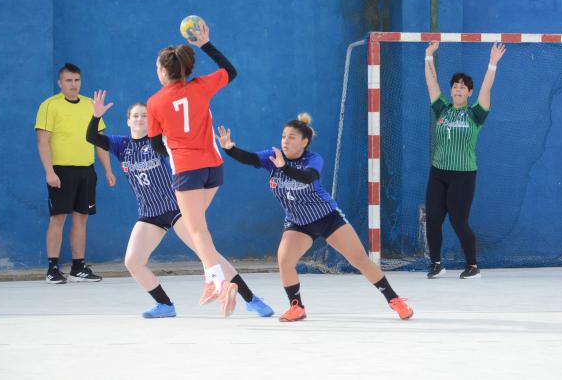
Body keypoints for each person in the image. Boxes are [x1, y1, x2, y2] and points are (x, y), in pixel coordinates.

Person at [87, 93, 273, 318]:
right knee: (133, 262)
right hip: (149, 214)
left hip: (177, 208)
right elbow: (92, 137)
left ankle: (251, 299)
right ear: (128, 121)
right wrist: (96, 117)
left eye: (144, 116)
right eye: (135, 116)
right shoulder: (121, 145)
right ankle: (165, 305)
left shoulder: (159, 141)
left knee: (209, 255)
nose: (139, 119)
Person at [216, 114, 414, 322]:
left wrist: (284, 167)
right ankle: (297, 307)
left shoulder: (313, 159)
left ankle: (395, 300)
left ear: (304, 142)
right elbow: (250, 158)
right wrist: (229, 148)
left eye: (291, 137)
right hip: (298, 222)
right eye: (283, 136)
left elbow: (309, 178)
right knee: (284, 260)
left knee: (360, 260)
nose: (285, 140)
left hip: (327, 218)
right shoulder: (272, 157)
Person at [146, 19, 242, 314]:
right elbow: (231, 71)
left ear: (164, 71)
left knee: (196, 229)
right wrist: (205, 45)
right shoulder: (201, 86)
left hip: (187, 171)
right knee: (199, 228)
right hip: (214, 168)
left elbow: (155, 144)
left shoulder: (155, 102)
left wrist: (174, 151)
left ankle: (218, 282)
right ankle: (209, 278)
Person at [422, 41, 505, 279]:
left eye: (463, 87)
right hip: (438, 173)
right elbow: (431, 84)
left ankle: (472, 266)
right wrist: (429, 56)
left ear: (469, 92)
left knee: (459, 221)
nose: (458, 90)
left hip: (463, 175)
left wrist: (492, 63)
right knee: (434, 219)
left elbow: (486, 90)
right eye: (455, 87)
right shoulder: (442, 109)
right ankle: (436, 264)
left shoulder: (475, 115)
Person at [35, 63, 115, 284]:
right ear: (60, 83)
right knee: (58, 219)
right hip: (60, 171)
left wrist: (108, 169)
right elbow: (43, 141)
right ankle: (52, 269)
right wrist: (49, 171)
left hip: (86, 171)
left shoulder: (91, 105)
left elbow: (100, 142)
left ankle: (78, 268)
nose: (73, 84)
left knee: (81, 219)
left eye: (76, 80)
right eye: (68, 81)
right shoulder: (50, 105)